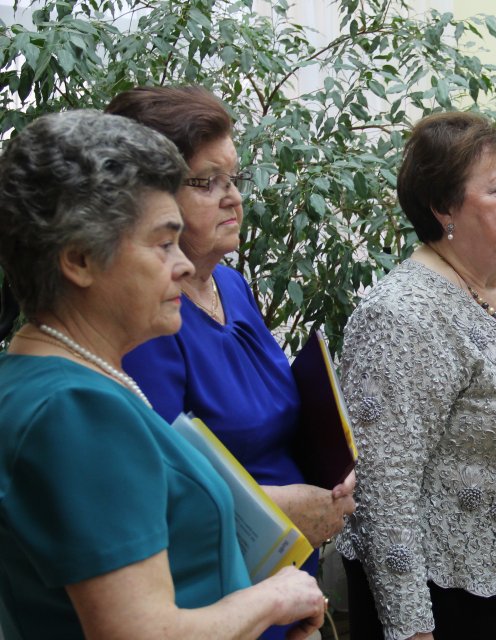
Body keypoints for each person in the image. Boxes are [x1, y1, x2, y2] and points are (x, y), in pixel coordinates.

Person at [0, 110, 326, 640]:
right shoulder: (77, 410)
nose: (183, 265)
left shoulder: (46, 379)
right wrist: (274, 600)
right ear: (79, 259)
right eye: (162, 243)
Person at [105, 86, 355, 636]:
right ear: (148, 196)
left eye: (234, 179)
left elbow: (273, 419)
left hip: (287, 585)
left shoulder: (233, 286)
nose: (234, 199)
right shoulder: (148, 321)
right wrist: (285, 507)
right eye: (207, 182)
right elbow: (162, 491)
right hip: (217, 599)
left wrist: (334, 471)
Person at [335, 111, 496, 640]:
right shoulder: (402, 315)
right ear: (443, 207)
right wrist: (411, 628)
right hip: (445, 596)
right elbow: (384, 490)